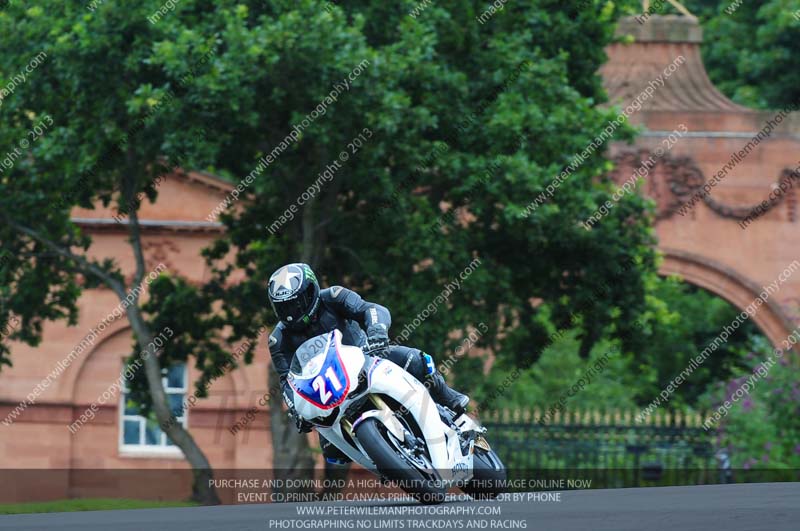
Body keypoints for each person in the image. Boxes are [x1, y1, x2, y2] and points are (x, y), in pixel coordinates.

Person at [267, 262, 469, 464]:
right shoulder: (278, 340)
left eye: (296, 303)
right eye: (283, 307)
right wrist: (296, 409)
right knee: (332, 453)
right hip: (329, 389)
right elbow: (287, 381)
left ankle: (449, 399)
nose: (291, 312)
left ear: (312, 292)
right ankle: (387, 460)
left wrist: (377, 332)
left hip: (367, 357)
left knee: (417, 361)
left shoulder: (334, 296)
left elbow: (371, 309)